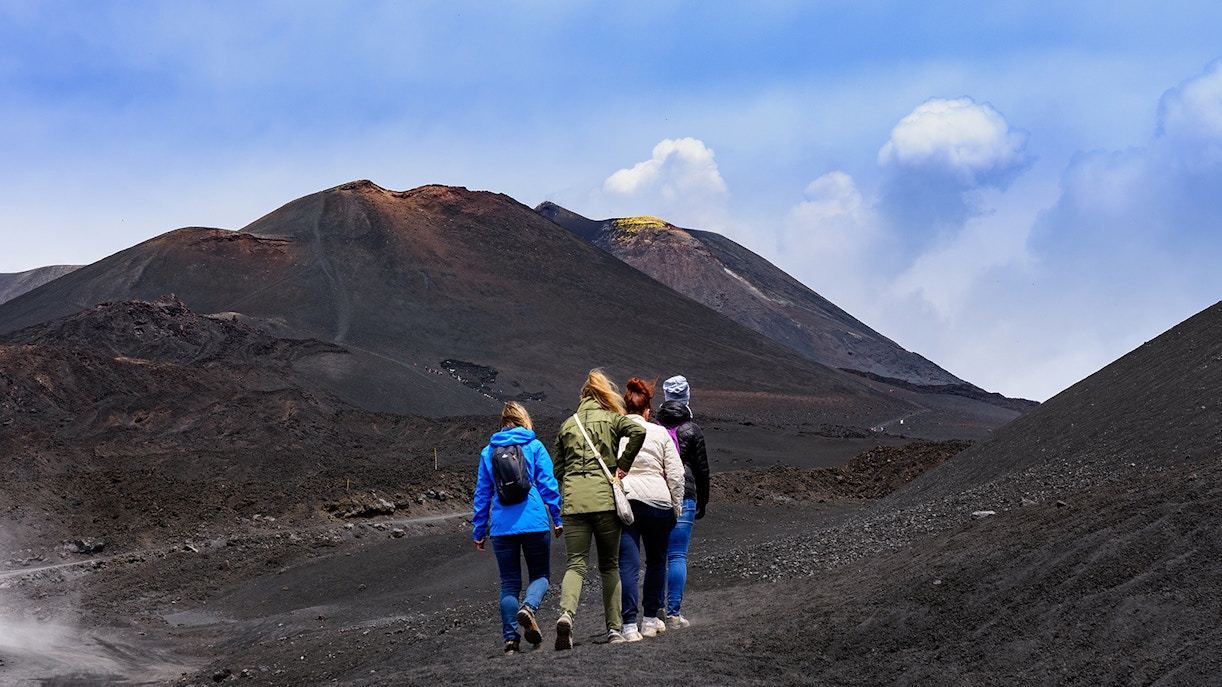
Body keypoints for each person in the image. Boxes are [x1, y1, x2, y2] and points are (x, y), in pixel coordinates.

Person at [552, 369, 647, 649]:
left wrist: (573, 483)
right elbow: (638, 429)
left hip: (573, 505)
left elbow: (558, 468)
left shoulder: (568, 425)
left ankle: (566, 615)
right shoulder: (612, 418)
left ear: (582, 397)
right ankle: (615, 630)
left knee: (575, 565)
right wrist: (622, 466)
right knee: (609, 565)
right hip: (605, 501)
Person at [471, 401, 563, 654]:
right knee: (541, 575)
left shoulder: (487, 452)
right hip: (534, 522)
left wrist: (479, 531)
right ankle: (529, 608)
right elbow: (548, 485)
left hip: (502, 527)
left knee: (509, 584)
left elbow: (482, 494)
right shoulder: (534, 446)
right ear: (525, 419)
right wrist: (557, 517)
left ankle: (511, 641)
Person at [617, 378, 684, 641]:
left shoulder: (618, 432)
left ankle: (628, 626)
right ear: (647, 410)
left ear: (625, 410)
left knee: (629, 566)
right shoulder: (659, 433)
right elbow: (676, 474)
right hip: (659, 504)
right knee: (657, 561)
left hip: (629, 502)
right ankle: (649, 620)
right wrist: (676, 506)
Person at [655, 375, 710, 630]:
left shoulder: (652, 427)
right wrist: (703, 501)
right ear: (687, 397)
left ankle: (654, 610)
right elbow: (702, 470)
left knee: (657, 556)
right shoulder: (692, 429)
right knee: (677, 555)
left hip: (655, 495)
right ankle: (674, 614)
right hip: (685, 495)